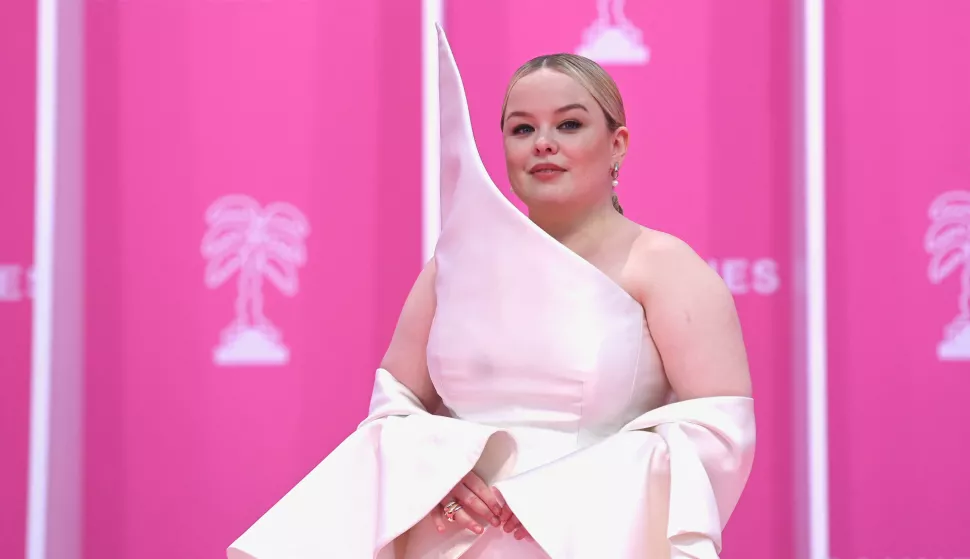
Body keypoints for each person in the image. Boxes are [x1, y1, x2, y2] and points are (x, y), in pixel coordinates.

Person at [227, 24, 755, 559]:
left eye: (569, 124)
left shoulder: (665, 267)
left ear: (617, 143)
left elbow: (717, 434)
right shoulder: (451, 268)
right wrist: (431, 468)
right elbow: (394, 411)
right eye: (522, 129)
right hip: (450, 540)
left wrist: (573, 495)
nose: (543, 143)